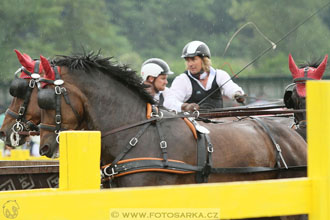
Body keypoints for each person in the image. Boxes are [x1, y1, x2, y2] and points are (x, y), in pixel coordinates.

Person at [164, 40, 245, 112]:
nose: (190, 64)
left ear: (204, 60)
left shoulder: (220, 75)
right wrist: (185, 106)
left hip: (219, 123)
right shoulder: (182, 80)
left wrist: (237, 93)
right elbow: (169, 102)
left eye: (193, 59)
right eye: (187, 60)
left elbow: (230, 87)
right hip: (194, 126)